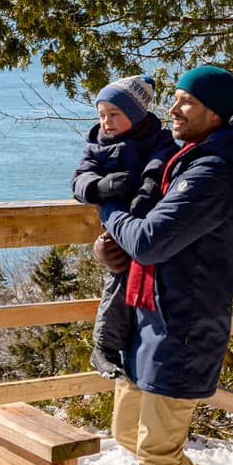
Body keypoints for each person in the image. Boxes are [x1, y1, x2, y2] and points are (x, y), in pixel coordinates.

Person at [93, 64, 233, 465]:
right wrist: (115, 248)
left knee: (156, 450)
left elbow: (150, 239)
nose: (173, 107)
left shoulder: (214, 173)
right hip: (149, 317)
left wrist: (108, 209)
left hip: (185, 328)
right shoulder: (186, 157)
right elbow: (147, 240)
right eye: (176, 97)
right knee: (128, 432)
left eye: (186, 101)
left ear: (214, 113)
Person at [72, 74, 178, 380]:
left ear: (135, 114)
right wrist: (99, 187)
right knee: (118, 278)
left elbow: (162, 159)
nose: (106, 122)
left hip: (146, 220)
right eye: (102, 115)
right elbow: (79, 180)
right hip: (118, 224)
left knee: (140, 282)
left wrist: (149, 183)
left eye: (115, 114)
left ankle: (124, 348)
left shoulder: (157, 139)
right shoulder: (96, 146)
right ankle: (104, 346)